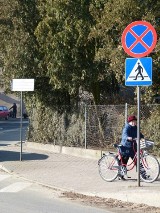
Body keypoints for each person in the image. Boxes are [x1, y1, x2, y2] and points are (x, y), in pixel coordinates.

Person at [120, 115, 147, 180]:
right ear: (129, 122)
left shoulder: (136, 128)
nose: (133, 123)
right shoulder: (126, 128)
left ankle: (143, 175)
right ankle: (121, 175)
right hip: (125, 147)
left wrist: (142, 137)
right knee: (124, 162)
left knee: (137, 161)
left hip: (133, 148)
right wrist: (127, 137)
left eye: (134, 121)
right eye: (132, 122)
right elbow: (124, 135)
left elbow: (139, 134)